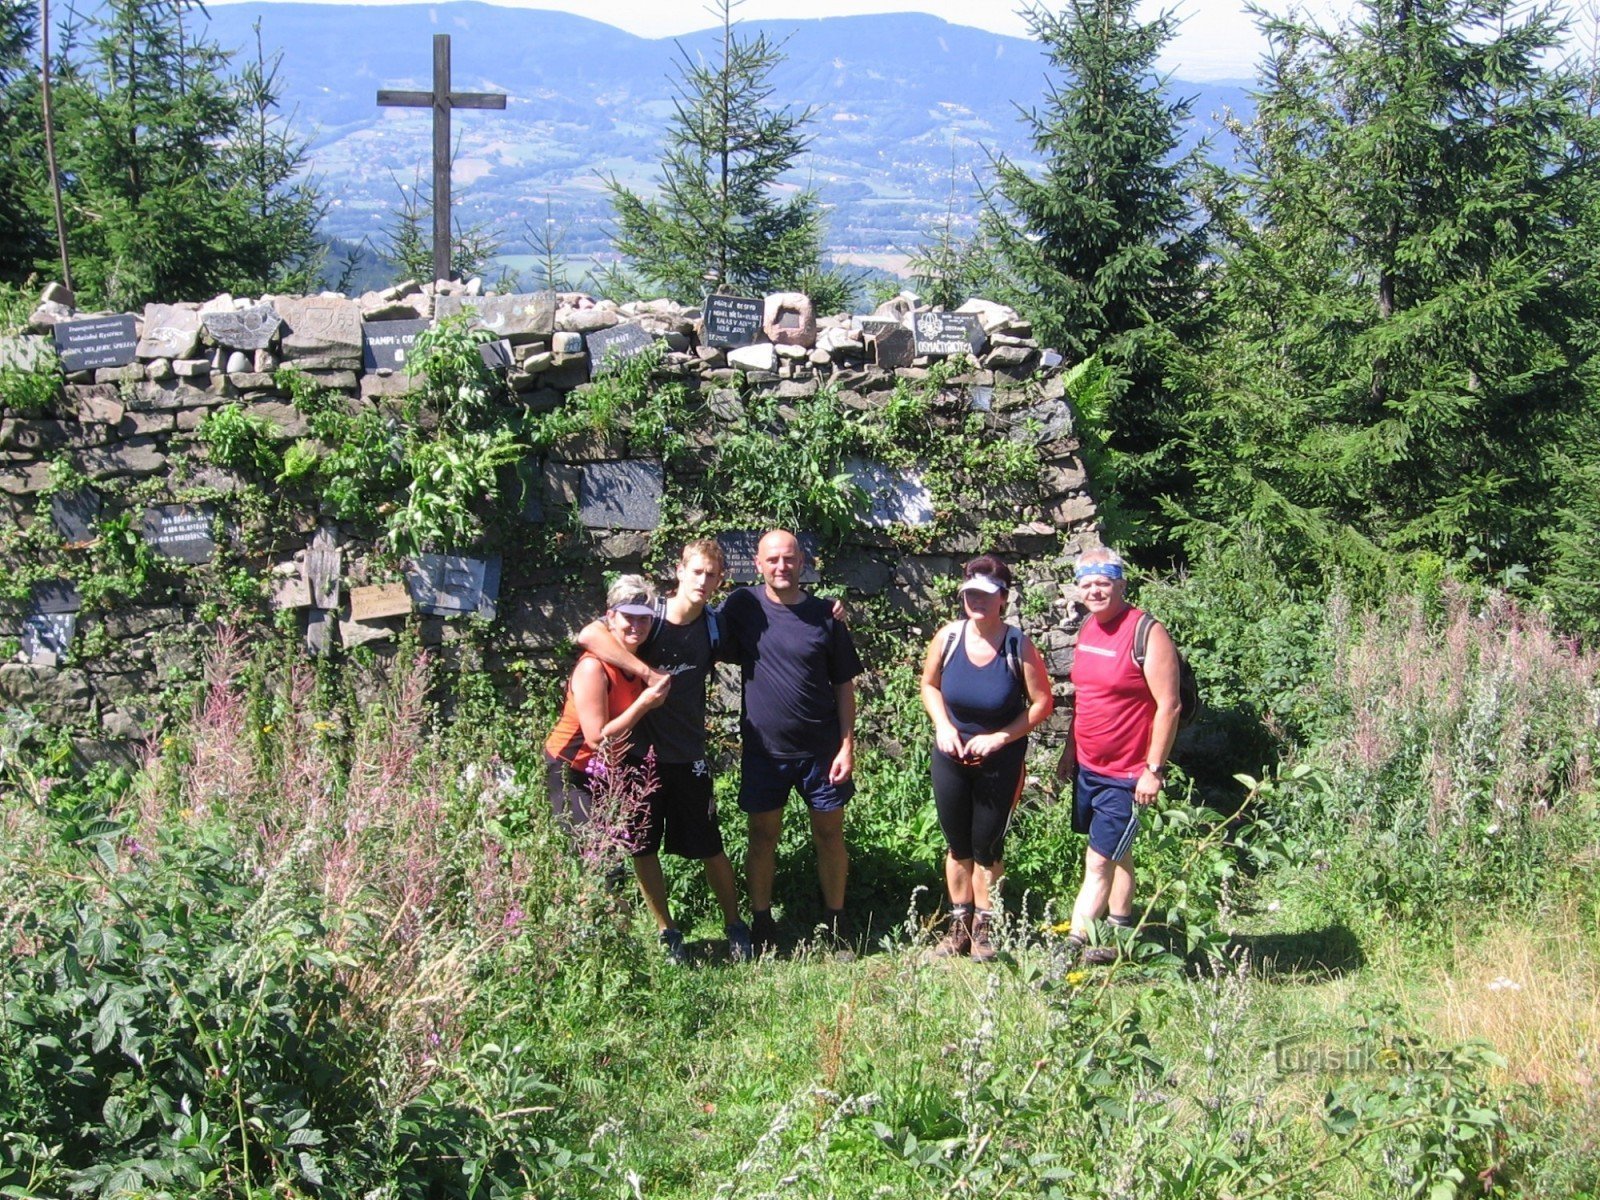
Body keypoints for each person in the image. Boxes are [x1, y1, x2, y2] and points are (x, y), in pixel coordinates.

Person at [575, 543, 755, 963]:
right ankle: (667, 932)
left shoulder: (714, 627)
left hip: (688, 753)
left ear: (721, 578)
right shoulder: (646, 618)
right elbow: (589, 633)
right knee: (642, 847)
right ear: (679, 571)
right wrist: (646, 672)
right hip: (638, 754)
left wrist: (828, 612)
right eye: (696, 572)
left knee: (710, 845)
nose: (702, 582)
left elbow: (758, 640)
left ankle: (735, 925)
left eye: (711, 575)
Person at [720, 529, 863, 957]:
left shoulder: (825, 615)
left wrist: (846, 745)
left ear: (803, 562)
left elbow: (844, 686)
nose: (781, 566)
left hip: (821, 752)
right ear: (758, 564)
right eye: (772, 559)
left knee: (830, 836)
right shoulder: (742, 607)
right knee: (761, 837)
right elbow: (694, 627)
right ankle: (763, 923)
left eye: (789, 558)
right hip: (765, 751)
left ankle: (836, 923)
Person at [920, 555, 1053, 962]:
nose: (976, 602)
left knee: (986, 847)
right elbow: (929, 685)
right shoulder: (949, 638)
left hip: (1000, 762)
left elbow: (1043, 702)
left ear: (1003, 599)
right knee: (957, 843)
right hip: (950, 757)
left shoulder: (1017, 645)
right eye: (970, 594)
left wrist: (1000, 737)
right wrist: (943, 726)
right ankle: (958, 927)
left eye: (986, 595)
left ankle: (986, 930)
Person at [1064, 546, 1181, 964]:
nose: (1095, 590)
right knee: (1118, 851)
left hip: (1128, 773)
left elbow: (1169, 705)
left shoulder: (1147, 632)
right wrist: (1069, 754)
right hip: (1089, 767)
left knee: (1097, 864)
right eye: (1087, 583)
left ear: (1121, 584)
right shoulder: (1088, 629)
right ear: (1079, 589)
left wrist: (1153, 770)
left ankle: (1070, 947)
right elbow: (1085, 699)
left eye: (1104, 582)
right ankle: (1119, 935)